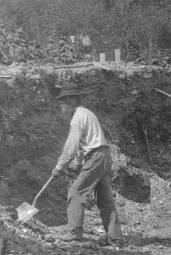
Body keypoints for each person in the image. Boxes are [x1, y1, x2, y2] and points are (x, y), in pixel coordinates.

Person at [50, 83, 123, 245]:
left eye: (64, 102)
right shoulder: (87, 114)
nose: (62, 106)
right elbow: (87, 142)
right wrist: (78, 162)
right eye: (61, 102)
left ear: (73, 101)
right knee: (105, 199)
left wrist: (59, 167)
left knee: (75, 192)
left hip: (96, 157)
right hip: (103, 155)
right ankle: (115, 237)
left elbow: (71, 146)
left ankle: (74, 231)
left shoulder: (77, 118)